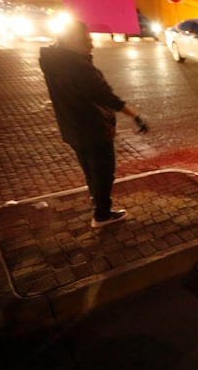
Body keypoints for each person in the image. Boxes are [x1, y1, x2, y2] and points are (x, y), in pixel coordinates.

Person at [39, 20, 149, 228]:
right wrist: (135, 115)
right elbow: (107, 96)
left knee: (91, 170)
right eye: (86, 40)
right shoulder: (79, 68)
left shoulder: (53, 61)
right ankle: (102, 214)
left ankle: (97, 205)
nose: (92, 45)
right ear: (70, 40)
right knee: (103, 172)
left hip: (71, 127)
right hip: (93, 128)